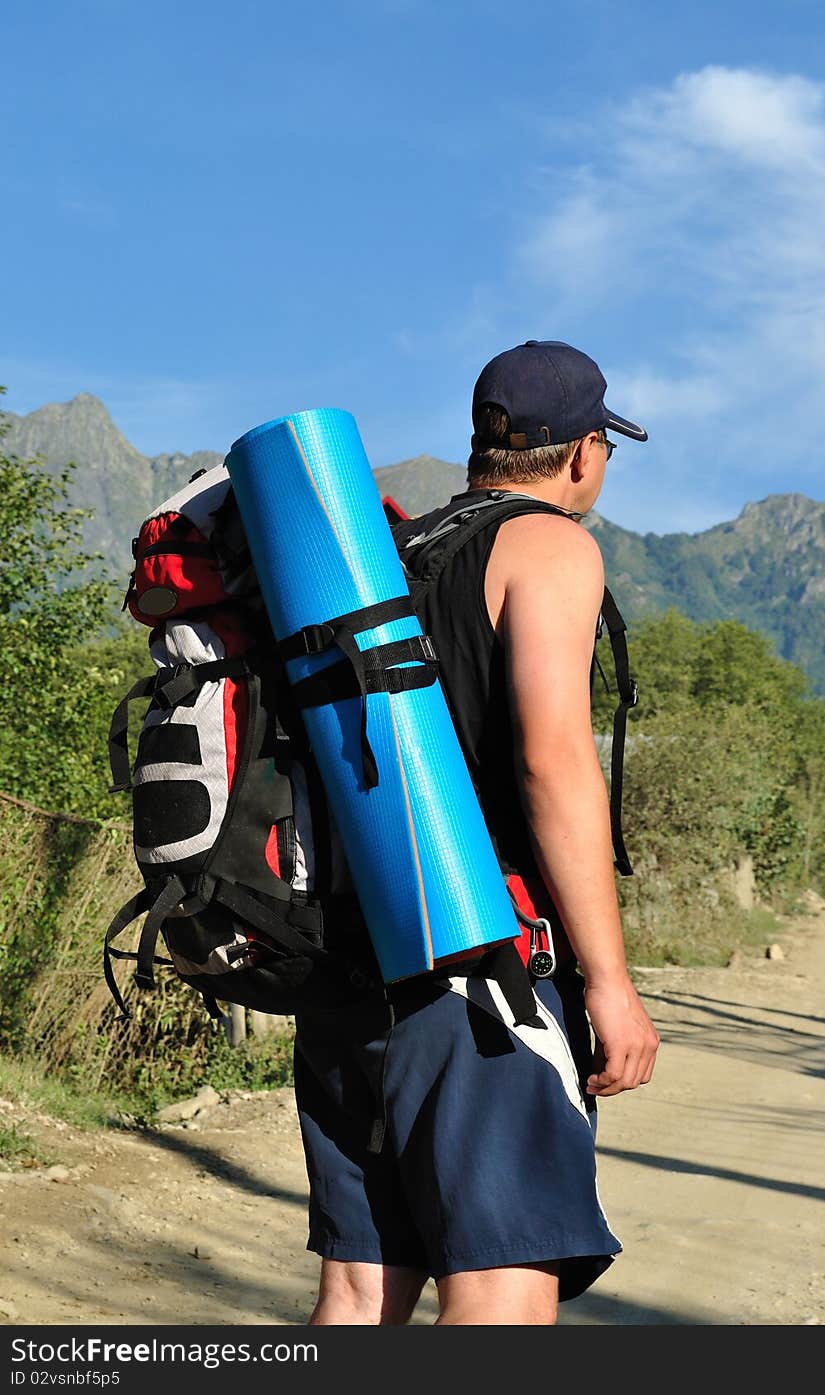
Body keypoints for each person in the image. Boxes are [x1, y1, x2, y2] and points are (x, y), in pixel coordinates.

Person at [292, 339, 660, 1326]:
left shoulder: (389, 557)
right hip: (480, 972)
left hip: (346, 965)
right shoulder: (549, 547)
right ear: (584, 452)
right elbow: (552, 764)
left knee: (361, 1293)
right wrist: (611, 984)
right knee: (501, 1291)